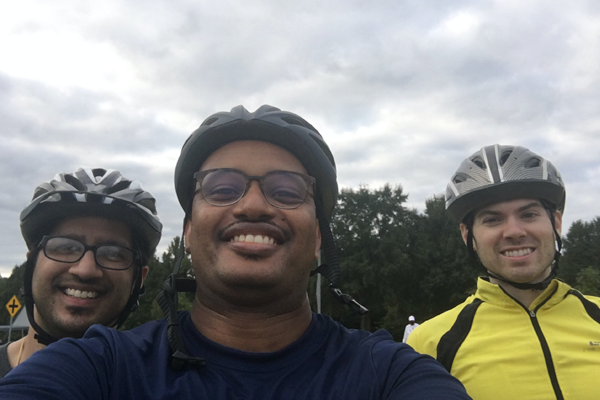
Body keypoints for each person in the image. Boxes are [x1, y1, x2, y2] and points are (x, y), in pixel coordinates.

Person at [0, 105, 470, 399]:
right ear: (187, 231)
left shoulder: (389, 374)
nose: (252, 205)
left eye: (286, 191)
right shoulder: (99, 366)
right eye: (222, 188)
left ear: (320, 238)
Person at [407, 144, 600, 400]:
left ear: (555, 223)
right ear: (468, 236)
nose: (514, 231)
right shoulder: (429, 343)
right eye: (492, 220)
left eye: (529, 214)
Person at [0, 167, 161, 378]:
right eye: (66, 247)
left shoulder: (155, 387)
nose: (85, 270)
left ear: (138, 280)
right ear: (32, 265)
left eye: (112, 253)